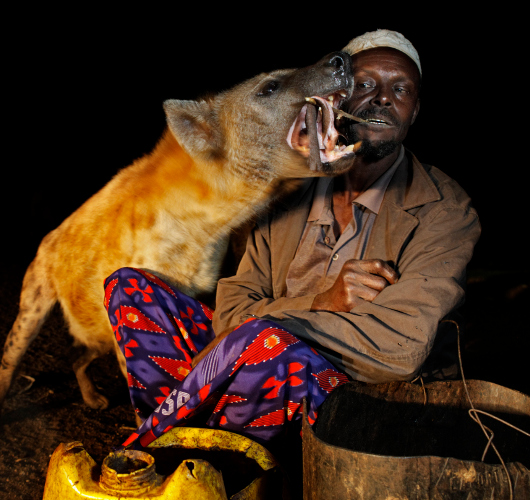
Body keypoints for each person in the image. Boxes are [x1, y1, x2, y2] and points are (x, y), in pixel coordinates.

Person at [104, 29, 480, 451]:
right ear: (334, 100)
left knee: (266, 345)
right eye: (365, 84)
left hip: (347, 394)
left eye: (401, 89)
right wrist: (322, 301)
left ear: (414, 111)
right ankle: (195, 434)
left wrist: (268, 329)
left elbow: (401, 347)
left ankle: (161, 449)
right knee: (130, 288)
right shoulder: (288, 192)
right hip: (246, 360)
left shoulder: (443, 209)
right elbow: (230, 314)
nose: (382, 99)